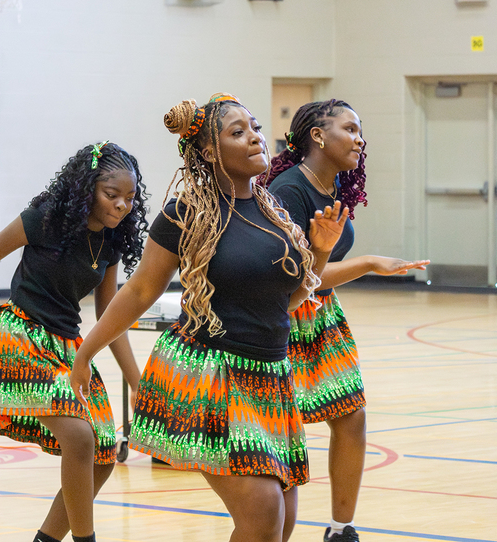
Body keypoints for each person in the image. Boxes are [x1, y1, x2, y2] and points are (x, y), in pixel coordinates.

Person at [71, 93, 349, 542]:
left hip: (270, 378)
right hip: (212, 375)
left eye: (255, 127)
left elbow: (290, 298)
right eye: (238, 132)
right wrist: (86, 353)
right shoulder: (187, 213)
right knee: (264, 512)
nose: (255, 137)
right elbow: (139, 291)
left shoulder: (275, 213)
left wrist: (320, 250)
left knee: (281, 521)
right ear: (207, 151)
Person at [0, 142, 148, 542]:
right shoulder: (47, 219)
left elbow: (109, 317)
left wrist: (137, 382)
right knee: (79, 437)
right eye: (111, 194)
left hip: (66, 346)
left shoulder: (112, 242)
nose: (121, 206)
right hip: (19, 335)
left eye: (129, 198)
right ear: (88, 188)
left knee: (103, 453)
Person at [263, 99, 430, 542]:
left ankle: (341, 530)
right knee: (282, 431)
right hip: (283, 317)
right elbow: (297, 277)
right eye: (350, 129)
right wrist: (370, 263)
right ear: (318, 135)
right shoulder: (288, 191)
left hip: (322, 314)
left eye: (360, 130)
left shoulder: (333, 185)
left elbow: (321, 273)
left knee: (351, 415)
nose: (359, 139)